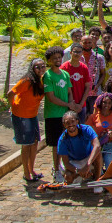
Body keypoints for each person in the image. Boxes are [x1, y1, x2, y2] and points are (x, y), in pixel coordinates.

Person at [6, 58, 46, 181]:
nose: (40, 69)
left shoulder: (41, 81)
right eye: (37, 67)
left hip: (33, 115)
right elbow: (10, 93)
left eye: (42, 66)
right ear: (32, 68)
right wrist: (12, 106)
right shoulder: (26, 80)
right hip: (21, 116)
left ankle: (31, 169)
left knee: (34, 143)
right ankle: (26, 173)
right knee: (26, 145)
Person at [43, 46, 77, 182]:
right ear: (49, 61)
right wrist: (68, 105)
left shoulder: (65, 74)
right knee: (56, 143)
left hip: (65, 114)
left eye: (59, 57)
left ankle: (66, 166)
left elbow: (69, 92)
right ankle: (56, 169)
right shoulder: (48, 76)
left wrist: (70, 106)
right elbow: (51, 97)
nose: (57, 60)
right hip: (53, 114)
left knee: (67, 141)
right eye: (54, 58)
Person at [58, 111, 102, 186]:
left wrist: (87, 166)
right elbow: (66, 163)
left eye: (73, 121)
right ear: (64, 125)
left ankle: (97, 181)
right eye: (67, 123)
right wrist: (80, 171)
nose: (71, 125)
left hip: (87, 159)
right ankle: (82, 176)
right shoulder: (62, 139)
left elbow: (97, 146)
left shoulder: (87, 129)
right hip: (74, 162)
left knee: (98, 154)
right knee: (68, 176)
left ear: (77, 121)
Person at [86, 92, 112, 170]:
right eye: (104, 102)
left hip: (109, 145)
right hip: (95, 146)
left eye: (109, 103)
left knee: (110, 168)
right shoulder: (93, 117)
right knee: (97, 170)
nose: (106, 105)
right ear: (100, 102)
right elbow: (86, 133)